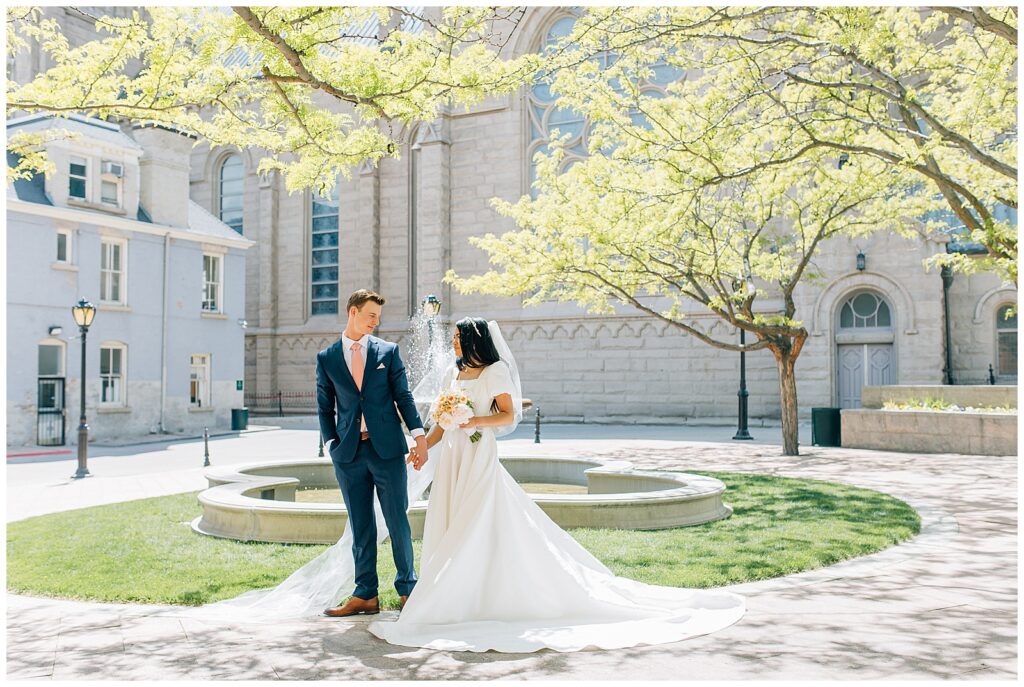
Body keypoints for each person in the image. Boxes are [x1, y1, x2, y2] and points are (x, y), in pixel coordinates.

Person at [366, 317, 746, 653]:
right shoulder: (454, 373)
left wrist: (474, 423)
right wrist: (423, 449)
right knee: (450, 517)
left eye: (459, 337)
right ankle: (448, 590)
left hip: (478, 454)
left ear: (474, 339)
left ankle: (465, 596)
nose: (454, 343)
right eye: (453, 338)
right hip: (452, 457)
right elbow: (439, 423)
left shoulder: (495, 371)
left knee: (475, 518)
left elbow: (508, 416)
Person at [315, 289, 428, 617]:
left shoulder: (388, 352)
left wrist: (419, 437)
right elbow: (325, 407)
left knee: (397, 521)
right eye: (370, 316)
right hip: (348, 454)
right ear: (353, 312)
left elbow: (403, 397)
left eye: (378, 317)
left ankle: (409, 590)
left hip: (388, 451)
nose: (376, 323)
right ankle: (365, 594)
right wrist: (330, 445)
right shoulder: (327, 358)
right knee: (360, 525)